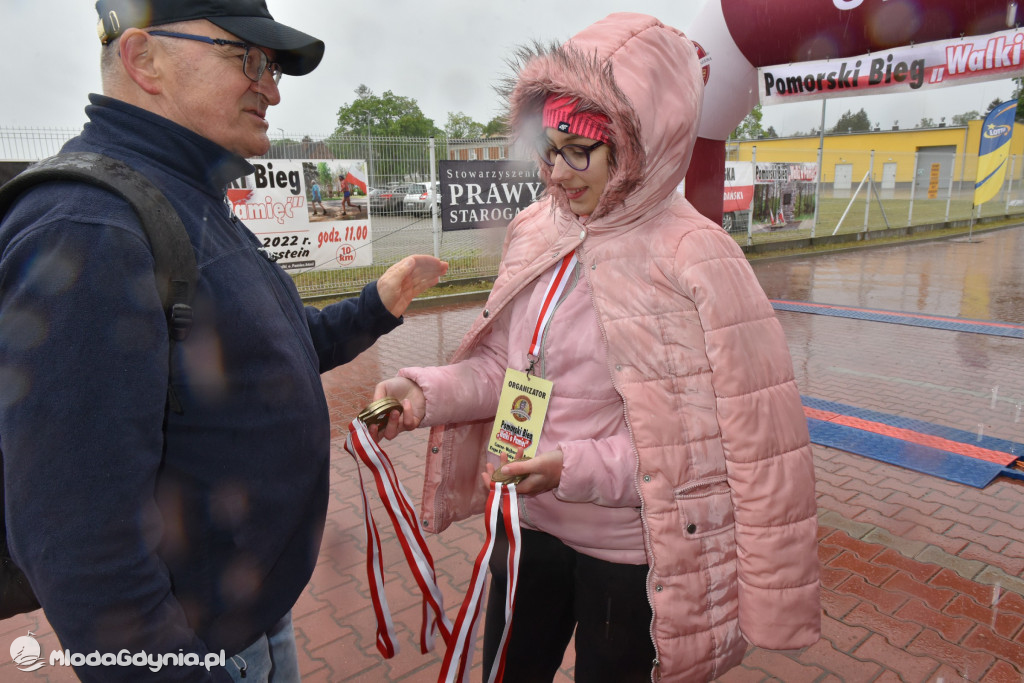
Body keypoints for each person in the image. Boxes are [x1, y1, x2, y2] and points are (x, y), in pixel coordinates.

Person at [0, 1, 446, 681]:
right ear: (144, 59)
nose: (271, 86)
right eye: (249, 59)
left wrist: (375, 305)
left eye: (271, 67)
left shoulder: (180, 195)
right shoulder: (91, 231)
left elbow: (256, 361)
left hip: (254, 622)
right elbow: (83, 547)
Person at [372, 13, 820, 682]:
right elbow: (506, 368)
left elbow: (711, 444)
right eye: (547, 149)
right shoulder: (536, 231)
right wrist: (424, 391)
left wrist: (573, 466)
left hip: (629, 556)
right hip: (528, 532)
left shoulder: (696, 259)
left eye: (578, 149)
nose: (557, 173)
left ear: (637, 141)